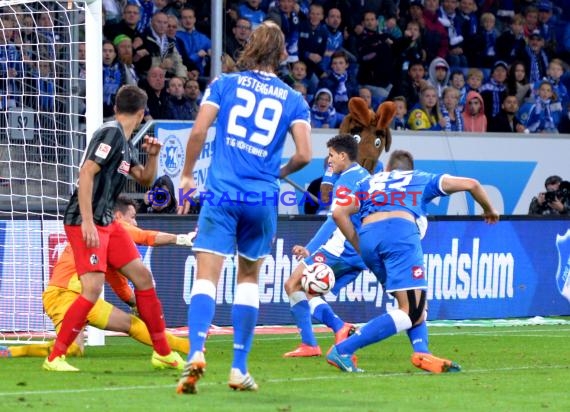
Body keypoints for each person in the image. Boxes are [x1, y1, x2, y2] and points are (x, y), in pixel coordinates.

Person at [175, 21, 311, 394]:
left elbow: (200, 131)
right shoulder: (294, 98)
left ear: (249, 46)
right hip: (262, 198)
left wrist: (187, 176)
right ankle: (238, 368)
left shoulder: (224, 84)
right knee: (248, 279)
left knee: (206, 278)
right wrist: (278, 172)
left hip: (221, 193)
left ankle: (197, 351)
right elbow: (304, 154)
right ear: (282, 54)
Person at [43, 85, 184, 372]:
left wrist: (153, 156)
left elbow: (144, 180)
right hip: (87, 221)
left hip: (108, 221)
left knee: (143, 277)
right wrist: (86, 220)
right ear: (142, 114)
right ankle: (55, 357)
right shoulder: (109, 133)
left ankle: (163, 352)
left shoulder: (128, 145)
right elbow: (86, 173)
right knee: (92, 289)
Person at [328, 149, 499, 373]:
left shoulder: (370, 182)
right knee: (411, 309)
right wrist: (489, 209)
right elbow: (472, 184)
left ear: (387, 169)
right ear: (410, 168)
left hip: (369, 238)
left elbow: (338, 212)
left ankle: (423, 352)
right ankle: (343, 350)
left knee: (414, 304)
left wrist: (360, 246)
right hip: (399, 235)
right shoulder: (419, 178)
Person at [0, 197, 195, 359]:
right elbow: (144, 236)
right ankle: (17, 351)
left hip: (80, 296)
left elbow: (118, 283)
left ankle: (183, 346)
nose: (135, 222)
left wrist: (134, 303)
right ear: (118, 216)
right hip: (64, 294)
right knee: (73, 350)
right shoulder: (109, 226)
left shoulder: (106, 244)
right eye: (133, 217)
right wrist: (181, 238)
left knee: (127, 326)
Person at [283, 134, 368, 357]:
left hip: (340, 248)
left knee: (293, 284)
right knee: (308, 290)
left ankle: (318, 340)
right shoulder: (364, 175)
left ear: (343, 155)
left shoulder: (346, 182)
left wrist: (310, 248)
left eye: (331, 156)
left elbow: (334, 219)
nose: (328, 160)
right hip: (361, 251)